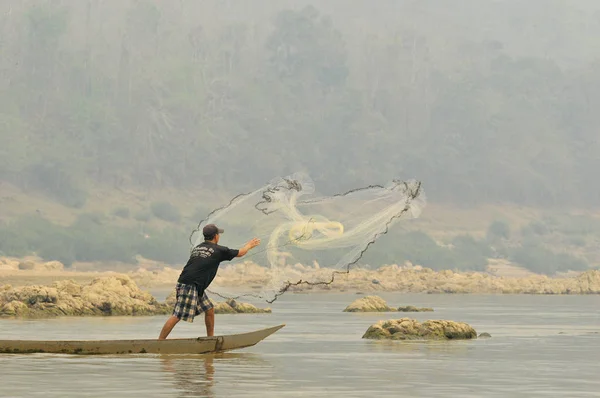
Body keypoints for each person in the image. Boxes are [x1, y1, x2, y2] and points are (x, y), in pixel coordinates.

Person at [158, 224, 261, 340]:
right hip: (190, 285)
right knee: (177, 315)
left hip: (192, 284)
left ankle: (210, 340)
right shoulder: (219, 250)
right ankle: (159, 342)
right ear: (216, 236)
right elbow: (241, 253)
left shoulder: (198, 248)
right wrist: (249, 245)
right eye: (219, 235)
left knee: (209, 309)